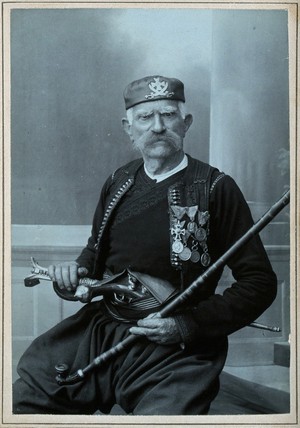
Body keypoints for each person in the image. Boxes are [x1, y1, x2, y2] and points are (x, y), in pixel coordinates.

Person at [13, 75, 277, 415]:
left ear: (186, 123)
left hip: (175, 343)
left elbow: (259, 282)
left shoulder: (215, 188)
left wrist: (187, 325)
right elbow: (95, 254)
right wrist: (74, 274)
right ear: (128, 127)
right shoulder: (119, 181)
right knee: (22, 403)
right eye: (145, 118)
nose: (157, 127)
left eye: (168, 115)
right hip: (102, 328)